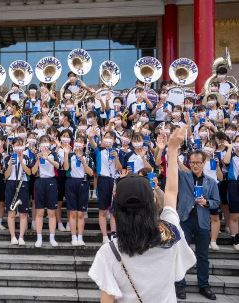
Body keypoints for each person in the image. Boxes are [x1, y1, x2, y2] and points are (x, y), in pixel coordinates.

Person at [88, 127, 197, 303]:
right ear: (153, 203)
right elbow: (170, 192)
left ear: (116, 210)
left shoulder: (109, 252)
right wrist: (172, 149)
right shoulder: (170, 235)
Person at [175, 150, 220, 300]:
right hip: (185, 220)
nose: (195, 165)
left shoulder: (211, 182)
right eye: (192, 162)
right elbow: (172, 170)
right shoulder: (183, 177)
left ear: (203, 163)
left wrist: (206, 202)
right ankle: (180, 286)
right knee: (181, 254)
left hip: (202, 221)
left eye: (198, 163)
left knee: (203, 256)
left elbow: (216, 202)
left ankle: (204, 286)